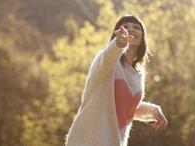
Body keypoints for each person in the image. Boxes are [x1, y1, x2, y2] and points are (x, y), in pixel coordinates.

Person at [64, 14, 168, 146]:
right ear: (117, 34)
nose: (131, 29)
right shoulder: (106, 62)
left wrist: (153, 111)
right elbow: (108, 58)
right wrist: (118, 44)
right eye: (125, 27)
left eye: (136, 27)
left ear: (142, 39)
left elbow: (124, 107)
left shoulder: (138, 74)